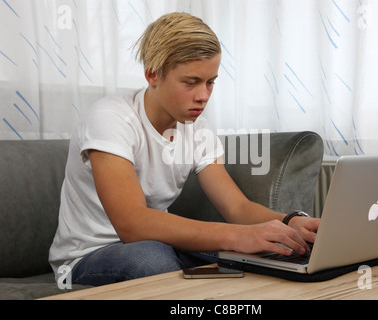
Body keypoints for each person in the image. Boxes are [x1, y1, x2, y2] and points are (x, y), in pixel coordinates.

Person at [49, 12, 320, 286]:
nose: (203, 96)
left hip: (159, 244)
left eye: (210, 82)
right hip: (87, 259)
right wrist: (237, 236)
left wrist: (289, 221)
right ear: (152, 74)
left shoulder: (197, 129)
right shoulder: (110, 118)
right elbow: (132, 224)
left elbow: (237, 207)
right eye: (190, 83)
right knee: (152, 258)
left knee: (270, 250)